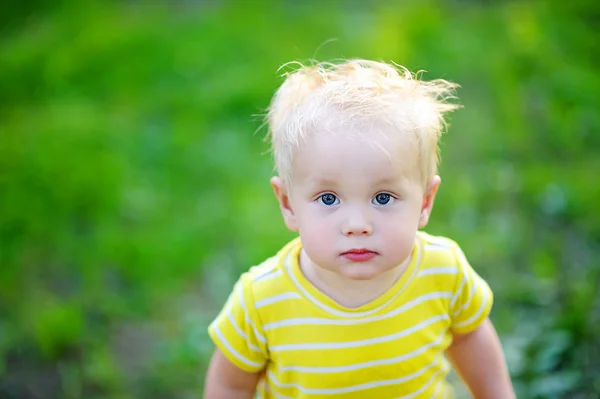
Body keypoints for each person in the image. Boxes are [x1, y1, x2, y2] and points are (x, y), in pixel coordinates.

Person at [203, 59, 516, 399]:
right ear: (288, 204)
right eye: (328, 199)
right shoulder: (261, 301)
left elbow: (469, 336)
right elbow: (231, 384)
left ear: (425, 201)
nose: (357, 225)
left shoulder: (443, 271)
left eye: (382, 197)